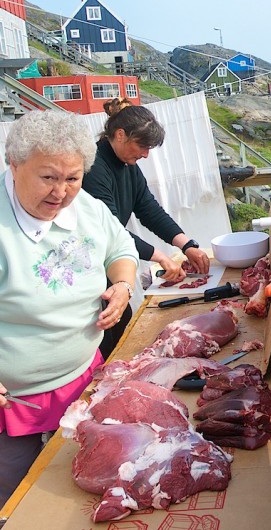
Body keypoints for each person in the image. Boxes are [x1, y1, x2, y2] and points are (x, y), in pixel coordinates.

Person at [0, 110, 138, 510]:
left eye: (72, 178)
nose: (61, 192)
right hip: (16, 402)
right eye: (48, 177)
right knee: (20, 501)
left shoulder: (87, 208)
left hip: (83, 379)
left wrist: (123, 285)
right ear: (14, 165)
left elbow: (120, 248)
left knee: (81, 491)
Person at [82, 98, 210, 357]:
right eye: (142, 146)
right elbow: (111, 229)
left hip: (109, 265)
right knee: (104, 331)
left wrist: (187, 245)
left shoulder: (129, 167)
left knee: (120, 320)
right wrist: (160, 256)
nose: (145, 154)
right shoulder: (94, 168)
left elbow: (149, 210)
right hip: (87, 268)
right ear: (120, 135)